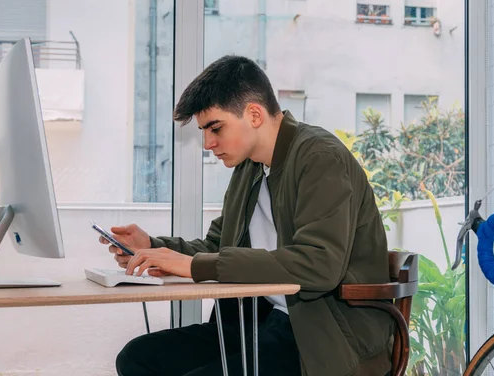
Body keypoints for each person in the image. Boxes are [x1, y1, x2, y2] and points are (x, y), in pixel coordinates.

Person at [103, 55, 393, 376]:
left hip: (318, 334)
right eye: (203, 131)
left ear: (254, 114)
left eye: (215, 128)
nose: (207, 143)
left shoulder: (320, 158)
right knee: (137, 358)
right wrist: (153, 248)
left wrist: (194, 266)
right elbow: (218, 244)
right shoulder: (248, 169)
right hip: (260, 321)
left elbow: (319, 264)